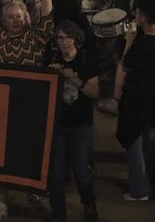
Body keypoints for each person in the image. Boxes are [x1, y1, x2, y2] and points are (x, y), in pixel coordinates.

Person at [0, 0, 53, 221]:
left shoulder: (35, 39)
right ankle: (2, 204)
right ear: (3, 19)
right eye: (10, 17)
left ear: (26, 18)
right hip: (1, 109)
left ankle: (33, 191)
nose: (14, 21)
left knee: (32, 153)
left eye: (18, 17)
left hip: (31, 108)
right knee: (2, 158)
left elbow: (47, 18)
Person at [117, 0, 155, 202]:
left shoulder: (141, 44)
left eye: (139, 14)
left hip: (137, 97)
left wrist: (129, 42)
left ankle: (140, 189)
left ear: (146, 17)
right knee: (148, 137)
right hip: (154, 95)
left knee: (134, 141)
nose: (136, 16)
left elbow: (126, 64)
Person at [47, 20, 100, 221]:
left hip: (81, 125)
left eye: (67, 37)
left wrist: (74, 79)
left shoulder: (87, 60)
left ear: (76, 39)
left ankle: (89, 206)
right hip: (58, 125)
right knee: (56, 174)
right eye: (60, 38)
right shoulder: (51, 58)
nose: (64, 42)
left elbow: (94, 92)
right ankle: (58, 212)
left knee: (81, 170)